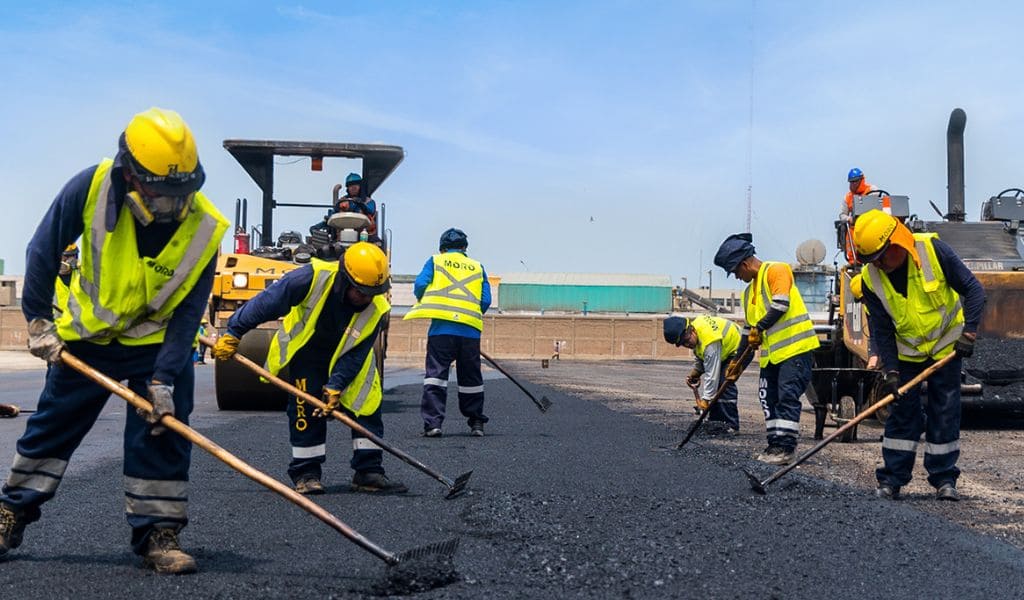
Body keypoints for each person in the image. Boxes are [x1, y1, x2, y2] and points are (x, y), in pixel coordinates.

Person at [0, 108, 229, 574]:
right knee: (53, 427)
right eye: (159, 190)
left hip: (156, 345)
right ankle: (12, 512)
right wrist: (39, 321)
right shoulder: (91, 186)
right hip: (88, 340)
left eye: (179, 191)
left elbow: (189, 313)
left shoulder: (205, 229)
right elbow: (42, 250)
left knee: (161, 432)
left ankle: (158, 535)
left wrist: (165, 378)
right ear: (130, 173)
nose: (169, 201)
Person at [211, 242, 406, 496]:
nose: (366, 297)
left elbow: (357, 353)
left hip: (350, 357)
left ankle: (369, 471)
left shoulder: (377, 307)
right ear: (345, 279)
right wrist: (235, 331)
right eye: (361, 291)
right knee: (306, 409)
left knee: (367, 404)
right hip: (309, 352)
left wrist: (337, 384)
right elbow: (266, 303)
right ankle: (306, 473)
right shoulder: (309, 278)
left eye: (373, 291)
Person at [852, 209, 985, 501]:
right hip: (907, 355)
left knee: (945, 409)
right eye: (872, 260)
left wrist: (969, 334)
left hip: (945, 348)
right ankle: (892, 479)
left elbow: (975, 291)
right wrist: (891, 373)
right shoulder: (870, 279)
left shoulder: (932, 250)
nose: (880, 265)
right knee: (902, 412)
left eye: (882, 257)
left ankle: (944, 479)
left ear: (898, 242)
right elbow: (882, 329)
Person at [714, 233, 821, 465]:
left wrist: (759, 328)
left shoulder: (777, 270)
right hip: (772, 357)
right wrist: (736, 367)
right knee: (767, 398)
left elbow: (781, 304)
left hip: (795, 351)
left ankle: (785, 448)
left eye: (735, 272)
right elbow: (748, 332)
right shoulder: (748, 293)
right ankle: (775, 444)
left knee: (786, 396)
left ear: (744, 264)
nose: (737, 277)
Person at [403, 228, 492, 437]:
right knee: (471, 378)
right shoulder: (477, 267)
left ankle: (433, 424)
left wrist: (432, 304)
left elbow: (420, 285)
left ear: (442, 248)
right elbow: (486, 300)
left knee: (436, 377)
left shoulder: (435, 261)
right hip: (469, 332)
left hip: (441, 331)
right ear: (464, 249)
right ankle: (476, 422)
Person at [663, 315, 741, 433]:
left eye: (687, 340)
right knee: (717, 385)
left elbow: (712, 375)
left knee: (724, 382)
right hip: (724, 350)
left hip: (740, 347)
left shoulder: (709, 340)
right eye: (683, 344)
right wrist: (696, 372)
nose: (687, 345)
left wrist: (705, 400)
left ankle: (731, 425)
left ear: (691, 330)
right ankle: (716, 422)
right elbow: (700, 354)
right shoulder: (696, 334)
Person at [841, 168, 890, 263]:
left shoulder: (872, 190)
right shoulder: (847, 197)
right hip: (856, 225)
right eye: (851, 182)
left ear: (861, 180)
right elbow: (842, 215)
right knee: (850, 230)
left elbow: (879, 205)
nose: (852, 184)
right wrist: (849, 219)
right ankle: (854, 261)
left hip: (874, 223)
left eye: (855, 181)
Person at [849, 273, 879, 370]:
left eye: (863, 299)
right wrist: (873, 355)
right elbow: (874, 334)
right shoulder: (869, 308)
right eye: (861, 300)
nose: (863, 303)